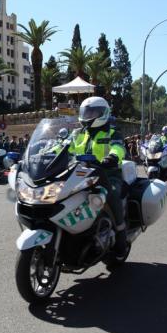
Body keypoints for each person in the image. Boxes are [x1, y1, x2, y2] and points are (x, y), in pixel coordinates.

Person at [67, 96, 127, 256]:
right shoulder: (78, 133)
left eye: (93, 112)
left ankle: (121, 235)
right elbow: (63, 147)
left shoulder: (112, 131)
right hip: (79, 174)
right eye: (86, 112)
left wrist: (113, 157)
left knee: (112, 194)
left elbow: (118, 148)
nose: (88, 116)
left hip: (108, 174)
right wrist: (43, 153)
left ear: (103, 113)